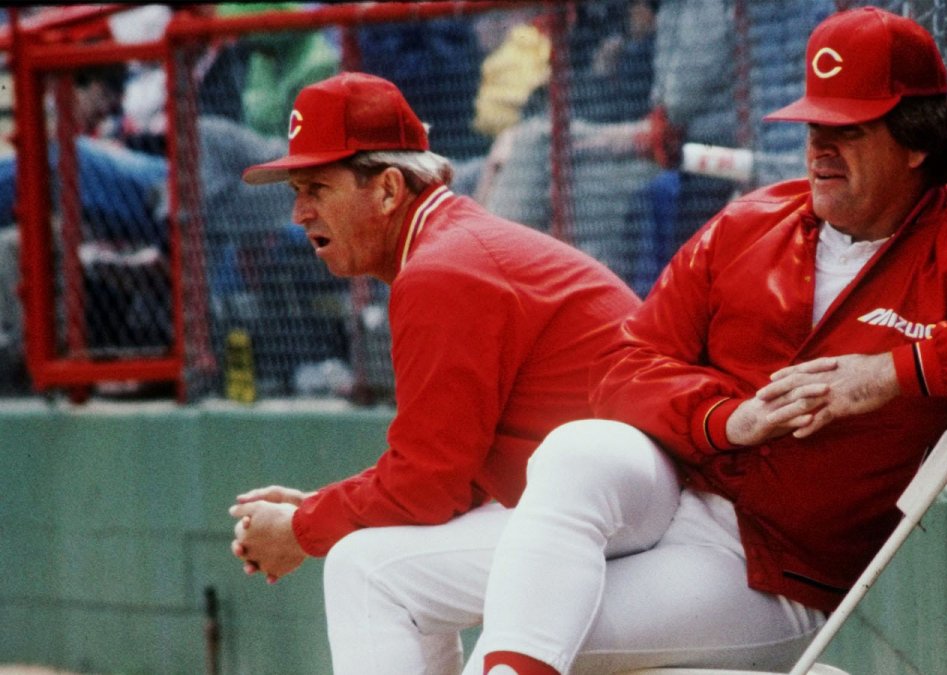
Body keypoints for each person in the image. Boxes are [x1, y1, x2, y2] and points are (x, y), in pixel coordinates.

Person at [469, 7, 947, 675]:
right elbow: (621, 369)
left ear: (916, 142)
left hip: (770, 571)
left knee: (527, 637)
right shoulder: (750, 223)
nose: (819, 150)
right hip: (671, 489)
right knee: (574, 451)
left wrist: (892, 372)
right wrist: (727, 417)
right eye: (814, 128)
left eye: (848, 131)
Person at [225, 72, 640, 673]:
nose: (299, 213)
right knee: (377, 555)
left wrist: (303, 527)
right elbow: (449, 479)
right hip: (622, 513)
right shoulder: (451, 246)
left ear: (389, 189)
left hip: (644, 526)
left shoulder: (442, 269)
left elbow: (428, 485)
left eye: (316, 187)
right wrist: (316, 510)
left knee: (364, 569)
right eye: (296, 189)